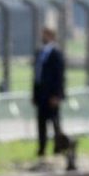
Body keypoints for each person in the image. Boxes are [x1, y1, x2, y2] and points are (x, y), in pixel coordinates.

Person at [32, 27, 66, 158]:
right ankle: (41, 149)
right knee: (41, 123)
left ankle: (58, 148)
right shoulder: (39, 53)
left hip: (52, 96)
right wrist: (34, 95)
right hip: (41, 95)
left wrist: (57, 95)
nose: (43, 36)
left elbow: (60, 77)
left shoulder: (56, 54)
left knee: (55, 123)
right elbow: (36, 76)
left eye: (45, 34)